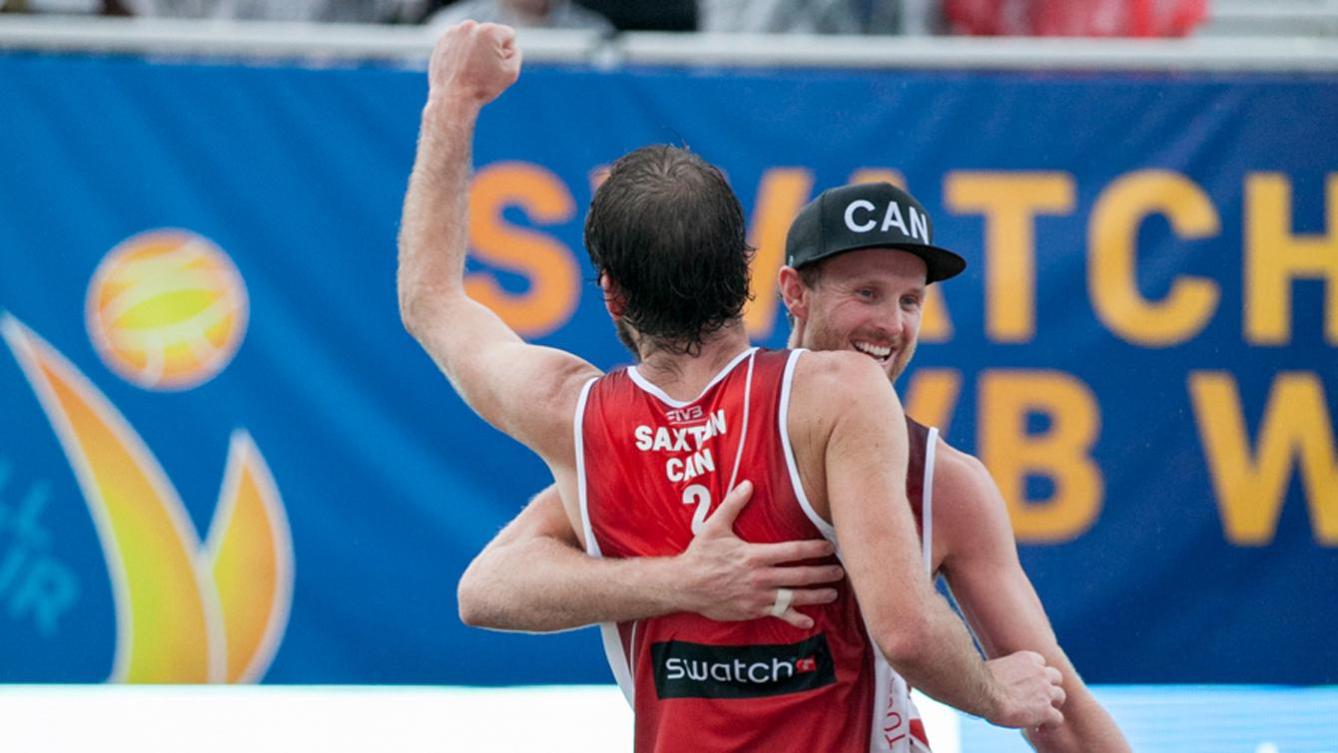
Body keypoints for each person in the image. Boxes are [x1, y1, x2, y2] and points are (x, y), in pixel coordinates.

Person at [402, 21, 1063, 752]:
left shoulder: (573, 414)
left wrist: (453, 100)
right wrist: (995, 692)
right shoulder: (837, 393)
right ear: (748, 273)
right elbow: (905, 631)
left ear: (613, 295)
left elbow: (430, 299)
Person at [457, 182, 1131, 752]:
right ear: (793, 293)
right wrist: (676, 581)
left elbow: (1055, 703)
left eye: (910, 301)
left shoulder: (943, 480)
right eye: (865, 293)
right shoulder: (664, 432)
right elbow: (486, 586)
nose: (891, 325)